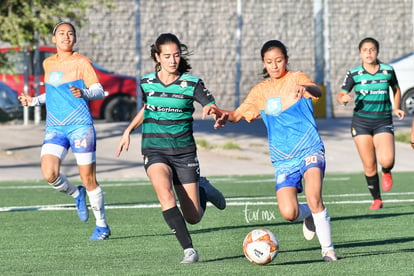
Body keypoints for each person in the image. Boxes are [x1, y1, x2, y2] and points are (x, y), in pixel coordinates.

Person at [211, 40, 337, 261]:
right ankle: (309, 214)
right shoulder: (260, 92)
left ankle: (327, 250)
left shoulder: (297, 78)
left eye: (279, 60)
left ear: (286, 59)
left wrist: (307, 88)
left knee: (314, 195)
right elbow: (238, 114)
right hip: (283, 159)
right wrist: (223, 113)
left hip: (309, 148)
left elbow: (316, 90)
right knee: (289, 213)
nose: (275, 65)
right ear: (264, 64)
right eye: (269, 62)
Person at [116, 33, 226, 264]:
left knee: (193, 217)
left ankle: (203, 189)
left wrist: (213, 111)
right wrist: (128, 130)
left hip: (184, 152)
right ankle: (189, 250)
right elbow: (148, 108)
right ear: (157, 57)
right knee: (165, 194)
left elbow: (211, 104)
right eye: (167, 56)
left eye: (176, 55)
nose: (173, 60)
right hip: (154, 149)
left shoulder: (192, 83)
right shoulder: (146, 82)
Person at [18, 22, 110, 240]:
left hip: (80, 126)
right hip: (55, 127)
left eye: (70, 34)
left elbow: (98, 90)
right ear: (54, 39)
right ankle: (77, 194)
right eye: (61, 33)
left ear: (75, 39)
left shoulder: (81, 62)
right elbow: (51, 94)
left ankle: (102, 226)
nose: (66, 37)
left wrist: (84, 93)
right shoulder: (48, 63)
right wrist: (32, 102)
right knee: (49, 174)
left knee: (89, 179)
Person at [337, 37, 404, 210]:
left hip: (383, 120)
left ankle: (387, 171)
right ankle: (377, 199)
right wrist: (343, 99)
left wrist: (396, 107)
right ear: (360, 53)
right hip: (361, 122)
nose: (368, 53)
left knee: (387, 160)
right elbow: (341, 93)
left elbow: (396, 90)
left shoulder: (388, 71)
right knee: (369, 164)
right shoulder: (354, 74)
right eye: (365, 50)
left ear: (377, 52)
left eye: (372, 49)